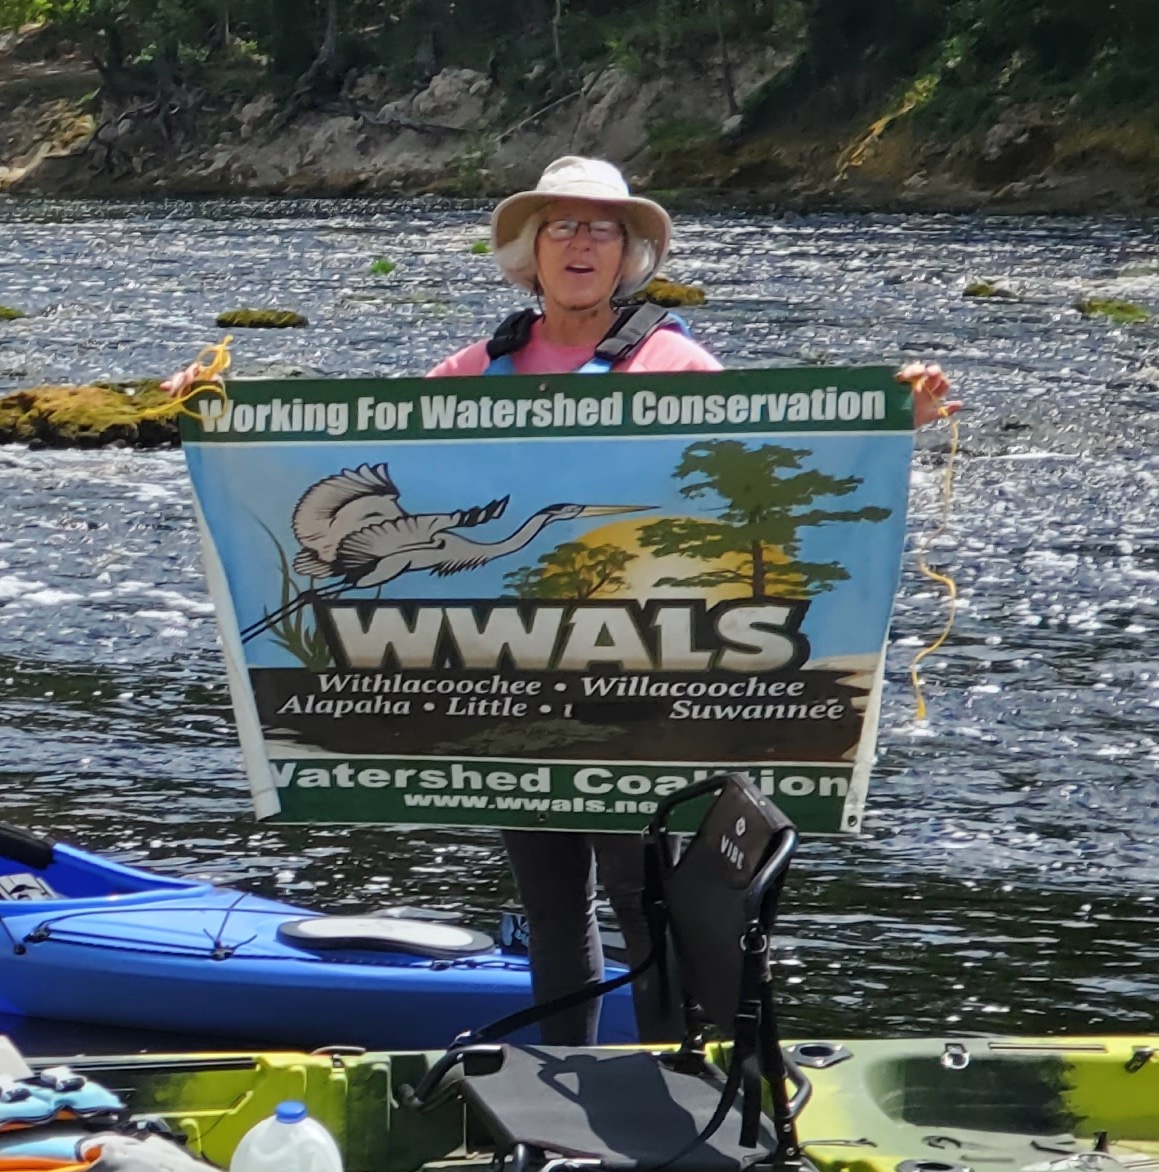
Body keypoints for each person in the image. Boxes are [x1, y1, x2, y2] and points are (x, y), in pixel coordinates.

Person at [406, 155, 954, 1040]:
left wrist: (893, 415)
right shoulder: (472, 369)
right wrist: (214, 413)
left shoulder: (674, 360)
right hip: (514, 669)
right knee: (550, 905)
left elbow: (777, 459)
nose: (582, 243)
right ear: (531, 250)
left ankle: (677, 1080)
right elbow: (371, 462)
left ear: (628, 254)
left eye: (602, 228)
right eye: (562, 226)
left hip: (643, 672)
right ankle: (570, 1083)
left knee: (643, 900)